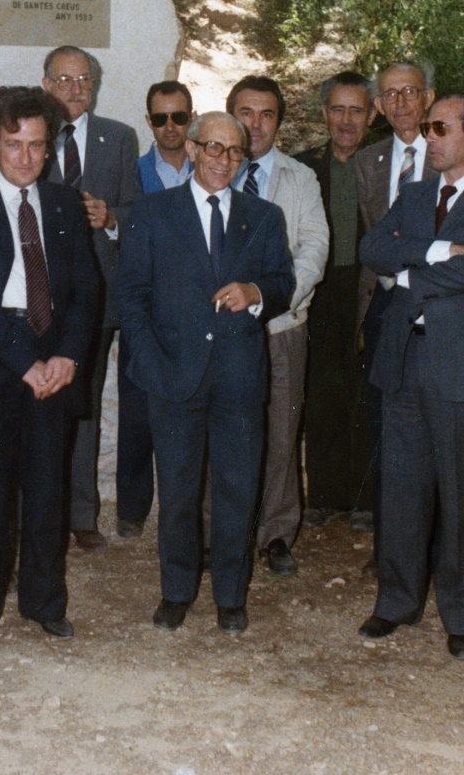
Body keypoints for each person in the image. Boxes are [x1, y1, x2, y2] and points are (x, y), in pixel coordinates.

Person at [354, 95, 464, 659]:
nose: (427, 137)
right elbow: (372, 247)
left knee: (460, 493)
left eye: (440, 128)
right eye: (428, 128)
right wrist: (433, 249)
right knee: (402, 489)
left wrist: (408, 279)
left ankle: (462, 614)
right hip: (406, 357)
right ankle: (396, 602)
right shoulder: (414, 194)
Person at [117, 112, 294, 634]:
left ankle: (231, 596)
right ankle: (176, 590)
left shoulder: (263, 217)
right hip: (173, 378)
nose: (223, 160)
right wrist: (151, 366)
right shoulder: (152, 213)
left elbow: (282, 280)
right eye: (214, 148)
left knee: (238, 488)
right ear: (193, 150)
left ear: (244, 159)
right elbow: (131, 299)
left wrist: (256, 293)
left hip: (238, 378)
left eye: (234, 151)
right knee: (176, 489)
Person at [0, 86, 100, 647]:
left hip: (53, 360)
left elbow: (85, 291)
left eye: (37, 145)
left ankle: (43, 602)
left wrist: (67, 356)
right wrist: (25, 364)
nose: (26, 157)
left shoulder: (61, 203)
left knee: (47, 489)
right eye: (14, 145)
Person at [41, 45, 143, 553]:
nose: (74, 88)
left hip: (97, 296)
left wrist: (113, 218)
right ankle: (42, 510)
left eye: (83, 79)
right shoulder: (28, 136)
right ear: (46, 85)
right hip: (38, 295)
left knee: (82, 403)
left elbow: (138, 211)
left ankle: (82, 513)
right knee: (39, 402)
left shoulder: (119, 138)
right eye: (63, 80)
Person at [226, 75, 329, 577]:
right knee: (223, 430)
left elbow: (314, 249)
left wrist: (269, 298)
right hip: (221, 327)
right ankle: (222, 530)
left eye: (267, 115)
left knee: (281, 430)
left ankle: (276, 534)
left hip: (281, 324)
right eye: (246, 112)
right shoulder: (212, 167)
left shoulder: (299, 177)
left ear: (279, 122)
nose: (256, 124)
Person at [351, 61, 437, 547]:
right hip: (385, 306)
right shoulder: (369, 162)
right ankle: (390, 548)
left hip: (433, 306)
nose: (402, 103)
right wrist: (367, 316)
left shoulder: (451, 154)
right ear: (379, 107)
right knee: (385, 427)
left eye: (411, 91)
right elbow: (371, 243)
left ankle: (431, 545)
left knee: (432, 427)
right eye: (391, 95)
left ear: (429, 97)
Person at [294, 72, 377, 529]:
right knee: (321, 391)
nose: (347, 120)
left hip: (368, 289)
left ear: (371, 115)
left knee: (365, 392)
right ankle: (323, 495)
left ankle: (365, 499)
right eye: (338, 109)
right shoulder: (304, 168)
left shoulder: (382, 166)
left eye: (357, 110)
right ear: (324, 113)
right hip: (320, 291)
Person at [114, 80, 197, 537]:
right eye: (161, 118)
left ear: (191, 118)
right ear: (149, 122)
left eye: (179, 117)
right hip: (146, 311)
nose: (170, 127)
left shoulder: (208, 166)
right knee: (137, 413)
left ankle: (181, 508)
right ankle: (131, 508)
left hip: (195, 313)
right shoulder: (133, 172)